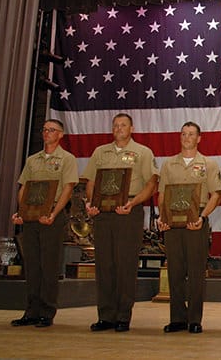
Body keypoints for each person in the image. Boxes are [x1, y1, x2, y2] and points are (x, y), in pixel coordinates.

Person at [82, 113, 158, 332]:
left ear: (131, 128)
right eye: (115, 125)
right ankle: (105, 315)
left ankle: (123, 315)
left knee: (125, 264)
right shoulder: (100, 152)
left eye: (123, 125)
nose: (118, 128)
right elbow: (91, 181)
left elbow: (151, 183)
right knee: (104, 264)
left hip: (128, 212)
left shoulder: (143, 152)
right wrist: (90, 202)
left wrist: (133, 203)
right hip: (102, 213)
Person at [10, 119, 79, 328]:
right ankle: (30, 311)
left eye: (52, 130)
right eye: (45, 130)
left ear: (61, 135)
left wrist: (53, 213)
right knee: (32, 265)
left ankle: (46, 312)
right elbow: (23, 188)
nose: (47, 133)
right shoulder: (33, 160)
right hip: (31, 218)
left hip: (53, 217)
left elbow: (67, 189)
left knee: (49, 265)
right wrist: (22, 212)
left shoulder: (67, 159)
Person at [157, 122, 221, 333]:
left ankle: (194, 319)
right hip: (172, 223)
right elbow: (162, 195)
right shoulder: (168, 165)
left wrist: (203, 217)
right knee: (174, 271)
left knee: (195, 273)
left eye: (191, 134)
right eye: (183, 133)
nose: (187, 137)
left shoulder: (209, 165)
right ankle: (177, 318)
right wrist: (162, 216)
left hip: (197, 221)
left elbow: (216, 195)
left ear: (199, 138)